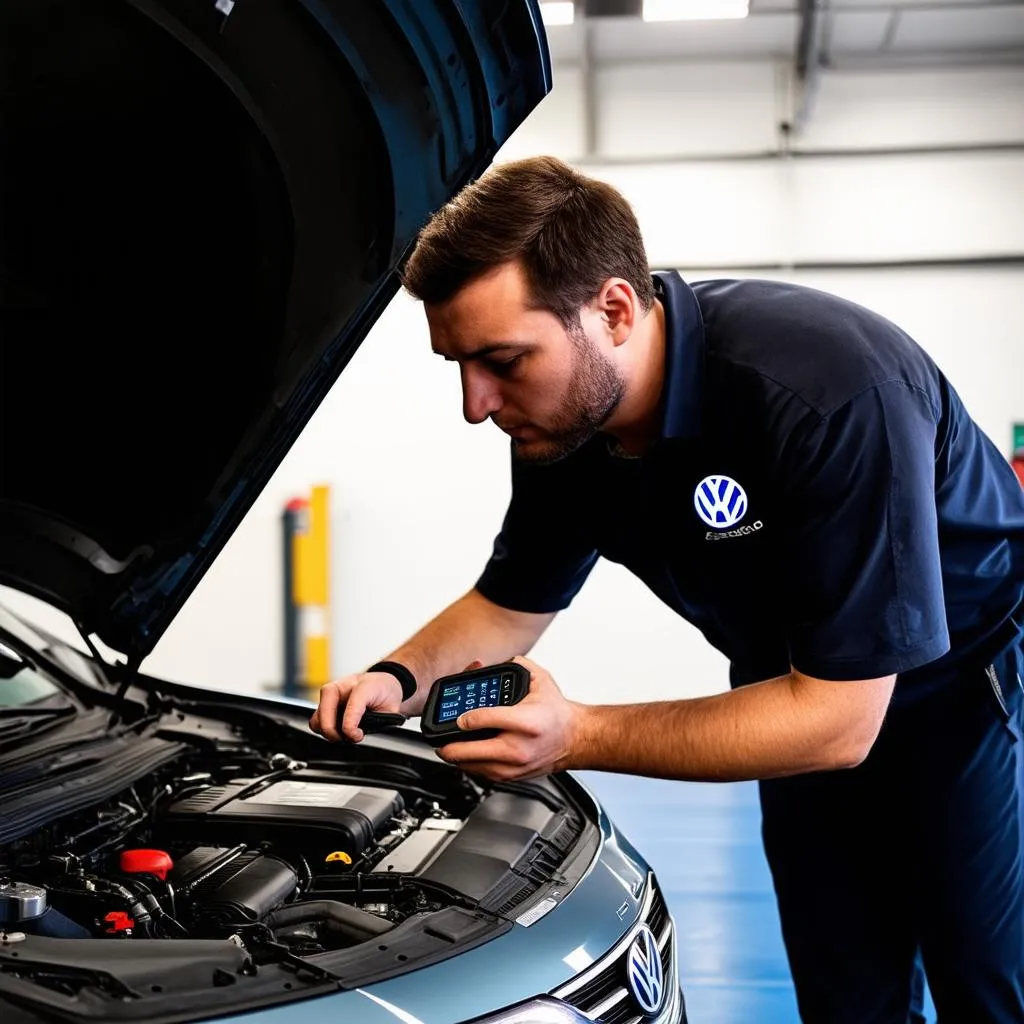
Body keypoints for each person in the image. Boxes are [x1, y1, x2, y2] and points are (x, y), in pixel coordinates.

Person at [309, 155, 1024, 1023]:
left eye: (500, 360)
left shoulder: (825, 388)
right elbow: (508, 605)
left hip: (957, 694)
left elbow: (840, 723)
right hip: (786, 692)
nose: (475, 403)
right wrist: (397, 676)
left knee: (986, 988)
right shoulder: (563, 428)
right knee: (848, 998)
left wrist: (579, 734)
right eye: (458, 365)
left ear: (611, 309)